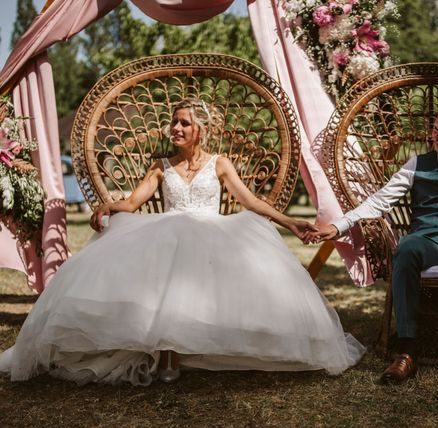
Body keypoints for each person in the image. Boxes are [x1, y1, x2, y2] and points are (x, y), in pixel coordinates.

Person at [0, 98, 365, 386]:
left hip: (212, 231)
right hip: (169, 230)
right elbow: (132, 202)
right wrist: (110, 205)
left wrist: (290, 222)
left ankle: (209, 344)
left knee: (220, 263)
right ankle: (168, 352)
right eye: (174, 121)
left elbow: (250, 201)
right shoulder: (160, 165)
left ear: (200, 131)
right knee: (166, 264)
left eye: (183, 123)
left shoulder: (220, 163)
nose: (174, 127)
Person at [311, 105, 438, 390]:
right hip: (426, 239)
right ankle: (406, 351)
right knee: (405, 250)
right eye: (434, 129)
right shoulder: (416, 164)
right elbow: (379, 201)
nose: (436, 137)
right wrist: (340, 225)